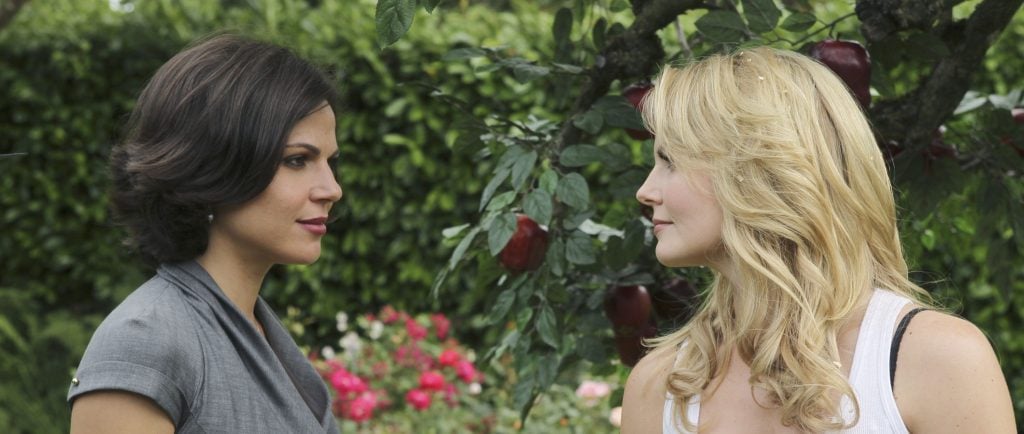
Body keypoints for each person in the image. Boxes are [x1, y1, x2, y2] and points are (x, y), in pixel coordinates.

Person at [624, 46, 1016, 433]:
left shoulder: (934, 360)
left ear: (756, 170)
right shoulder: (659, 386)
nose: (645, 191)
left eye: (670, 161)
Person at [68, 34, 343, 433]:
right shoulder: (146, 341)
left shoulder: (260, 335)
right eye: (297, 160)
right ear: (215, 166)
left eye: (330, 162)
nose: (332, 189)